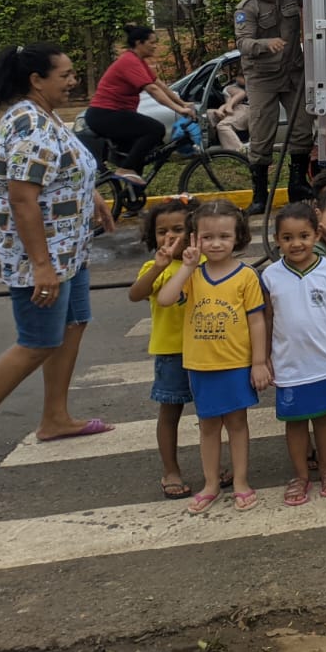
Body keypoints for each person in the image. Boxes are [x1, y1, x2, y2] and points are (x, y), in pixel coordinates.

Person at [0, 44, 118, 482]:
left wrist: (91, 196)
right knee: (37, 341)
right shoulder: (30, 124)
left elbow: (61, 170)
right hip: (41, 254)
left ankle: (55, 418)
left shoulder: (46, 115)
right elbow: (22, 198)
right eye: (65, 75)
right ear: (36, 79)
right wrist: (41, 266)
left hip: (69, 246)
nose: (74, 81)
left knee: (74, 323)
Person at [157, 200, 268, 512]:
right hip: (200, 365)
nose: (216, 243)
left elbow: (257, 321)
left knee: (237, 423)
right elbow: (165, 299)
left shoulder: (246, 276)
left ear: (238, 238)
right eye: (207, 237)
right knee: (207, 426)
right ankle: (211, 483)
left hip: (235, 364)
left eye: (224, 236)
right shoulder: (192, 274)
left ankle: (242, 481)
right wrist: (187, 267)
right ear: (194, 239)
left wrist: (259, 362)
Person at [260, 202, 326, 505]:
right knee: (296, 423)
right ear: (277, 240)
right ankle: (300, 475)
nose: (296, 243)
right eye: (287, 238)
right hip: (289, 365)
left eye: (303, 235)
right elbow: (267, 319)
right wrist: (262, 359)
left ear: (316, 235)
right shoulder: (270, 276)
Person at [128, 197, 201, 499]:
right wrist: (158, 267)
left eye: (178, 229)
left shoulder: (204, 263)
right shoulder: (154, 267)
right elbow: (136, 294)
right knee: (170, 412)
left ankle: (214, 465)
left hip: (208, 349)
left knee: (212, 413)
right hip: (172, 352)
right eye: (161, 231)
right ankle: (170, 469)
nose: (169, 237)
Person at [236, 0, 317, 213]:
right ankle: (260, 196)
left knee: (302, 128)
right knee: (261, 136)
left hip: (293, 73)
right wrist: (265, 44)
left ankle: (297, 185)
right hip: (263, 79)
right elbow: (243, 43)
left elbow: (317, 1)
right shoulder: (247, 8)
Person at [84, 23, 196, 182]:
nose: (155, 46)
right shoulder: (129, 61)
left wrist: (183, 103)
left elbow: (160, 85)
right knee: (155, 129)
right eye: (152, 42)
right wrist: (179, 109)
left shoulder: (138, 61)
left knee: (138, 155)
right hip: (105, 114)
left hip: (114, 113)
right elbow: (153, 90)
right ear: (139, 43)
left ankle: (132, 191)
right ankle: (125, 170)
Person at [207, 67, 249, 152]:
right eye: (238, 76)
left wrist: (227, 107)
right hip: (235, 109)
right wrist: (221, 110)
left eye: (242, 77)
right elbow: (227, 103)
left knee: (222, 126)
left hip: (246, 109)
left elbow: (241, 95)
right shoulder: (233, 87)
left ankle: (240, 150)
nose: (238, 79)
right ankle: (214, 140)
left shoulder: (248, 88)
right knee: (207, 113)